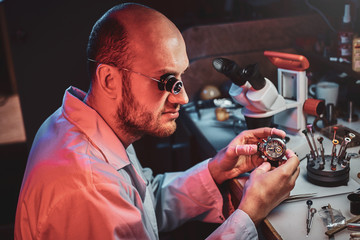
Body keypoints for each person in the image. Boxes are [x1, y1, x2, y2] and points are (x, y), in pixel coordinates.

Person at [14, 3, 300, 239]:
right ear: (109, 80)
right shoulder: (88, 189)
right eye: (168, 81)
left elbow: (141, 203)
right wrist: (250, 213)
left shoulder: (83, 125)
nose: (184, 97)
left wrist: (215, 170)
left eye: (182, 78)